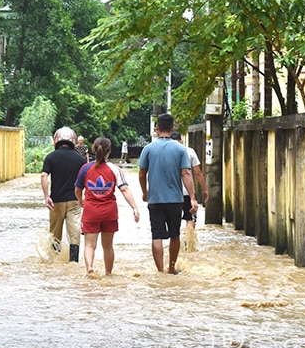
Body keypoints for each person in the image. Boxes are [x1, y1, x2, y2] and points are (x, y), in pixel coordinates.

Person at [138, 113, 197, 274]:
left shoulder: (148, 149)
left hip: (155, 199)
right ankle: (171, 268)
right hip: (175, 200)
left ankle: (160, 271)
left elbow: (142, 174)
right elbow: (186, 173)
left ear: (157, 128)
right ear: (172, 128)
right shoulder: (180, 149)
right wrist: (192, 197)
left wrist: (145, 192)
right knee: (174, 235)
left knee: (156, 235)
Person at [75, 137, 140, 275]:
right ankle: (108, 273)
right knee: (108, 246)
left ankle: (89, 269)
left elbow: (77, 189)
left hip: (91, 211)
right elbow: (124, 189)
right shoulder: (115, 169)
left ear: (93, 149)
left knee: (89, 245)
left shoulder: (85, 168)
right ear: (109, 151)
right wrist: (134, 207)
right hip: (109, 212)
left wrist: (81, 201)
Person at [41, 127, 86, 262]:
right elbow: (87, 180)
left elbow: (44, 176)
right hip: (74, 201)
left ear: (56, 140)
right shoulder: (80, 160)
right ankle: (73, 261)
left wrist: (46, 196)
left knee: (55, 234)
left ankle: (55, 261)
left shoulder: (50, 157)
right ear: (73, 141)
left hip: (56, 201)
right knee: (74, 233)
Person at [171, 131, 210, 230]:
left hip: (171, 193)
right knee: (191, 219)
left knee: (173, 222)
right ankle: (187, 243)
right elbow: (198, 172)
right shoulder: (190, 151)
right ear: (182, 141)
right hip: (188, 192)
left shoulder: (166, 152)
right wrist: (205, 189)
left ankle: (175, 243)